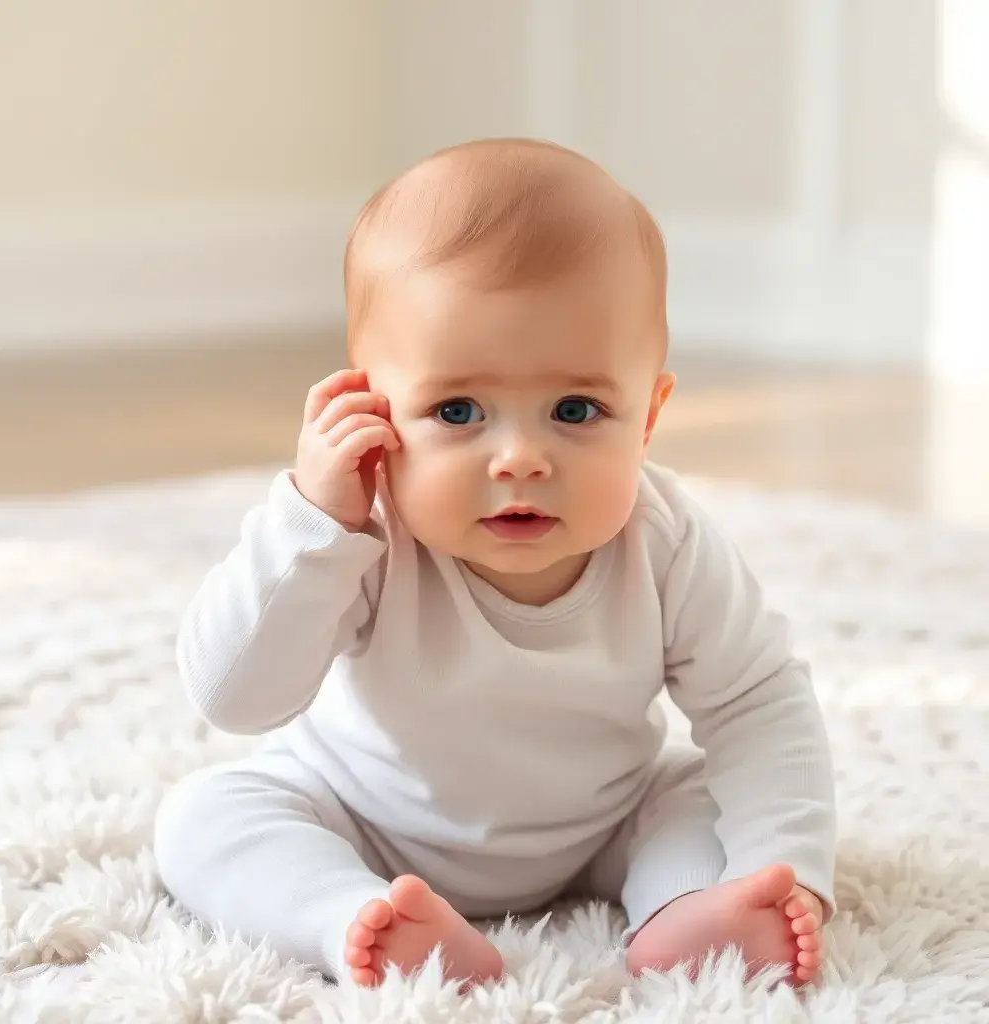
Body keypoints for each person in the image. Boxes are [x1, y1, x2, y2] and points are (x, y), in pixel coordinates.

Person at [154, 138, 836, 989]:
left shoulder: (665, 540)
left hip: (602, 823)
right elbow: (236, 700)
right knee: (206, 816)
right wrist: (313, 524)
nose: (518, 457)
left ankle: (689, 912)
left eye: (576, 409)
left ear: (650, 417)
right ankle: (353, 918)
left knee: (700, 796)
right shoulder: (362, 537)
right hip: (366, 819)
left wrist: (789, 862)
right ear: (373, 404)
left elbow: (759, 704)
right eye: (459, 409)